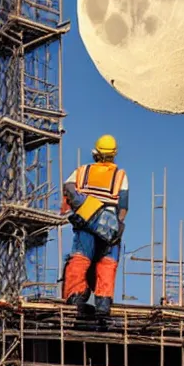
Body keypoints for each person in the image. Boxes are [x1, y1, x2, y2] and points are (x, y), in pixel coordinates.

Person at [61, 134, 129, 316]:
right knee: (107, 264)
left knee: (80, 259)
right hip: (110, 228)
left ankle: (75, 298)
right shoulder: (120, 176)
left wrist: (84, 210)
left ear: (95, 153)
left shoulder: (81, 172)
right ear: (114, 155)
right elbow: (123, 207)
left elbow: (68, 190)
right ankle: (103, 303)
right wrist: (116, 227)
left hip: (85, 225)